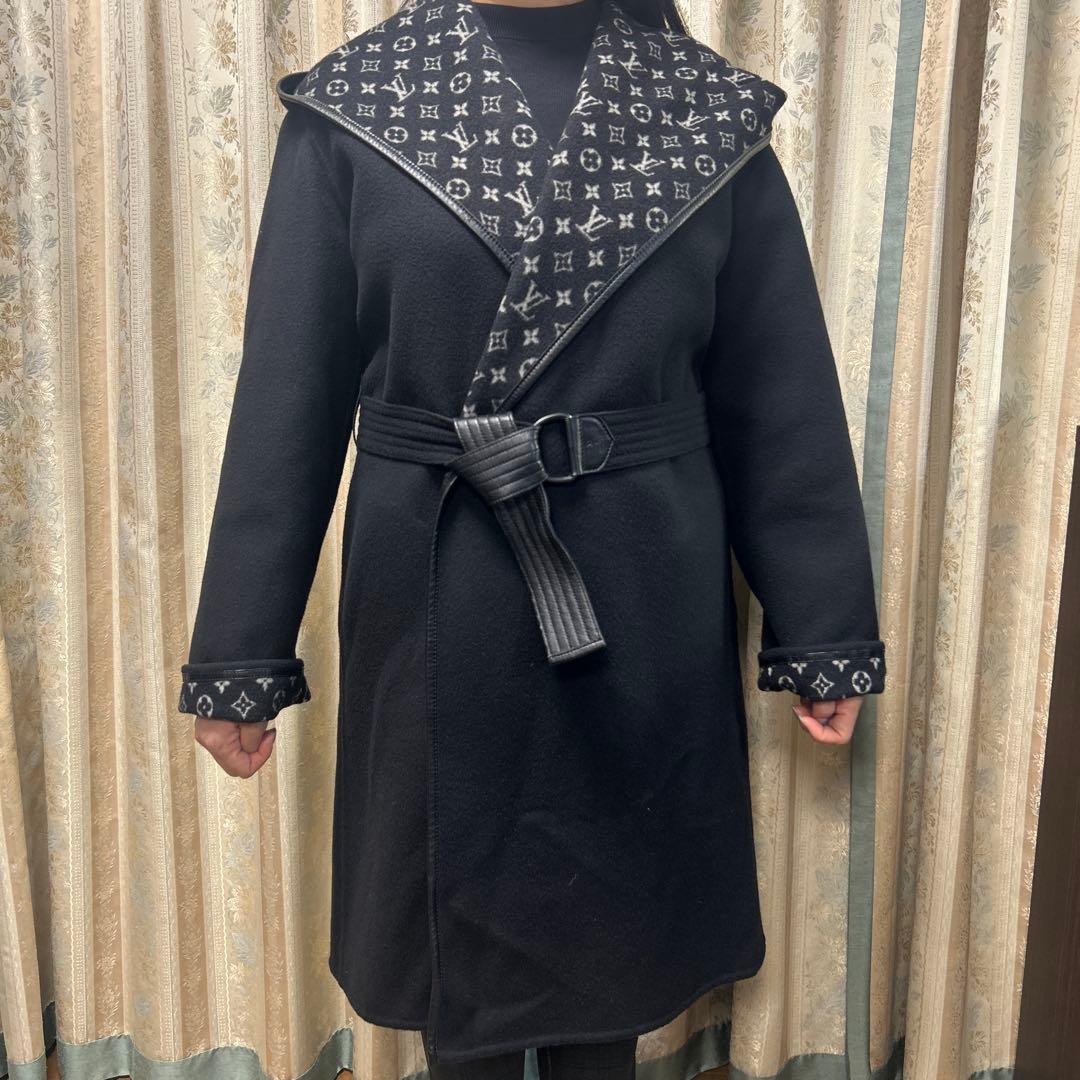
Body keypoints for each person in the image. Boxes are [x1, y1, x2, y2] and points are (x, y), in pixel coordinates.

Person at [177, 0, 888, 1073]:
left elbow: (777, 390)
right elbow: (288, 399)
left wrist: (821, 624)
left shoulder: (704, 117)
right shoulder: (357, 108)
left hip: (638, 585)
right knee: (453, 964)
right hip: (436, 587)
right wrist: (242, 653)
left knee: (613, 948)